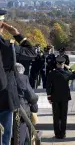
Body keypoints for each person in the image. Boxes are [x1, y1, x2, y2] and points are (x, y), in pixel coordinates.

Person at [0, 9, 36, 145]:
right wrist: (17, 34)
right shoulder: (7, 46)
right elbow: (31, 52)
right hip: (4, 98)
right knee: (4, 137)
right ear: (2, 24)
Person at [46, 56, 75, 139]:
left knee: (56, 116)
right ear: (63, 64)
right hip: (64, 97)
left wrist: (49, 97)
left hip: (55, 97)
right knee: (64, 116)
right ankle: (63, 134)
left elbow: (48, 86)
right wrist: (70, 68)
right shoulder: (67, 73)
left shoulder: (51, 73)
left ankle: (57, 134)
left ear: (57, 64)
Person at [15, 63, 38, 145]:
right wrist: (35, 107)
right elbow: (31, 96)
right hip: (21, 111)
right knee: (23, 133)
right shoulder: (23, 78)